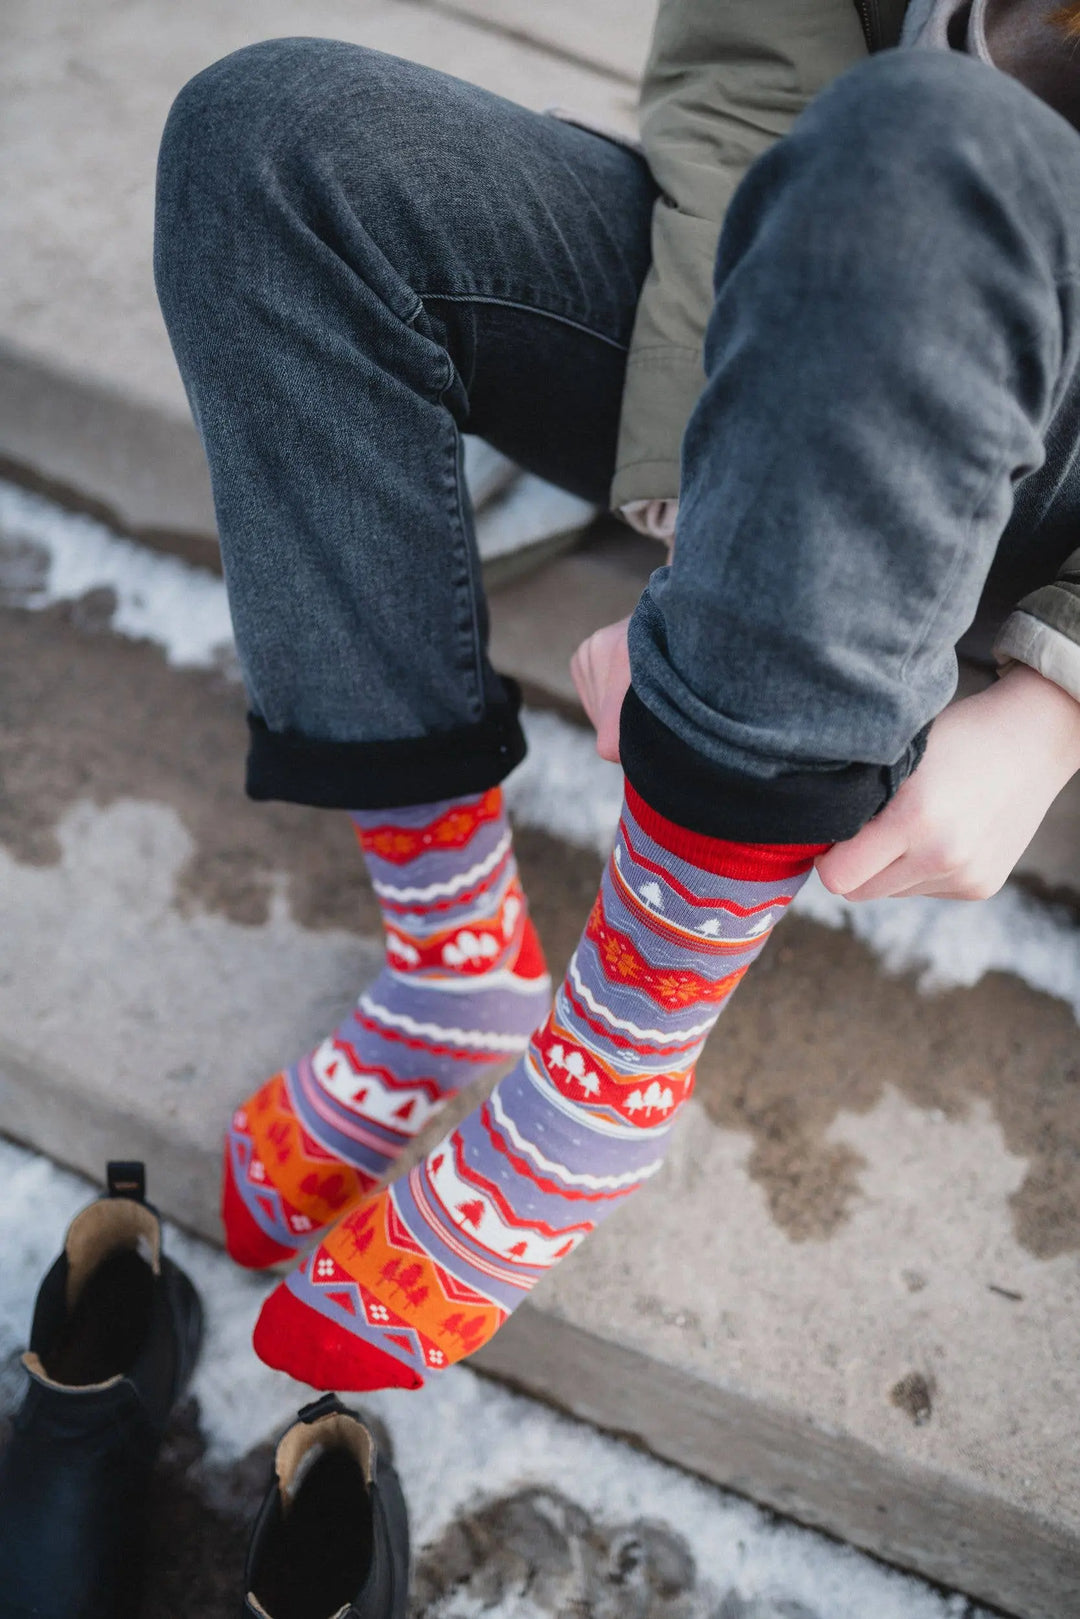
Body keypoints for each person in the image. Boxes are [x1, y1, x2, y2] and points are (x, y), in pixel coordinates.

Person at [154, 0, 1080, 1391]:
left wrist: (1063, 688)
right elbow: (758, 72)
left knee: (936, 150)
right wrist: (716, 501)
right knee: (272, 146)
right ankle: (449, 956)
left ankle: (613, 1068)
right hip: (826, 290)